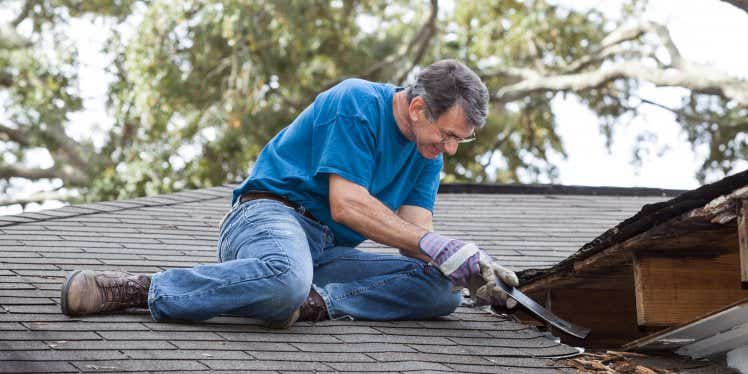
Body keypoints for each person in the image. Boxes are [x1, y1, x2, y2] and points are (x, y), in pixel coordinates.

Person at [60, 59, 519, 328]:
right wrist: (433, 247)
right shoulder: (357, 102)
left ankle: (315, 302)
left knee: (441, 292)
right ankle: (143, 289)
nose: (451, 149)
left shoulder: (428, 154)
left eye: (462, 139)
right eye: (448, 134)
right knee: (284, 278)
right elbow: (347, 203)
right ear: (418, 107)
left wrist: (465, 266)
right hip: (269, 217)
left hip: (325, 250)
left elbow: (415, 235)